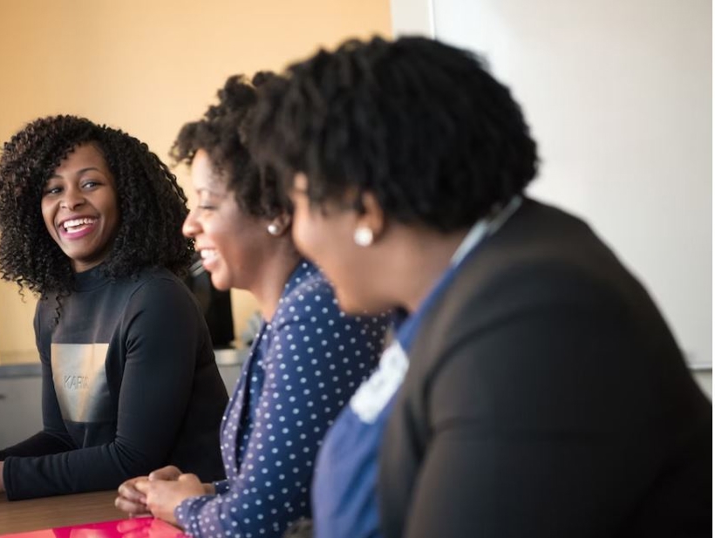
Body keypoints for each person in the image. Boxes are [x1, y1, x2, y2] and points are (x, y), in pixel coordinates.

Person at [249, 36, 712, 538]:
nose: (298, 234)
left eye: (299, 206)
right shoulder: (481, 278)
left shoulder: (533, 317)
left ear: (365, 209)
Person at [113, 74, 388, 537]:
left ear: (275, 210)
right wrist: (199, 492)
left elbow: (257, 524)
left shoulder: (313, 310)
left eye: (207, 205)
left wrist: (185, 506)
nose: (189, 225)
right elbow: (291, 489)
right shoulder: (292, 307)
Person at [0, 115, 229, 505]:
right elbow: (62, 438)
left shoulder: (156, 299)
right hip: (104, 506)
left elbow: (133, 458)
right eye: (53, 189)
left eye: (91, 183)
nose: (70, 201)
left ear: (126, 195)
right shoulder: (53, 304)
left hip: (189, 514)